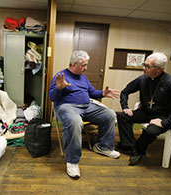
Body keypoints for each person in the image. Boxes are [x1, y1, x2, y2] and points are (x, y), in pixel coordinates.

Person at [49, 50, 120, 179]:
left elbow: (92, 92)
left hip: (87, 107)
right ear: (74, 64)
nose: (86, 68)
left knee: (109, 114)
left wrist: (103, 93)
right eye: (84, 65)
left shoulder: (83, 77)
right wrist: (59, 88)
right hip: (67, 107)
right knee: (75, 122)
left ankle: (103, 147)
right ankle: (72, 161)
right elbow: (52, 97)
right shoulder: (60, 76)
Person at [116, 52, 171, 166]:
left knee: (150, 131)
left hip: (164, 116)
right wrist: (125, 107)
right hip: (146, 112)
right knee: (123, 116)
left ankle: (138, 150)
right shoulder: (143, 79)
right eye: (144, 64)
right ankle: (129, 146)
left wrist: (165, 122)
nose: (143, 68)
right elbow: (125, 92)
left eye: (147, 66)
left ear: (159, 69)